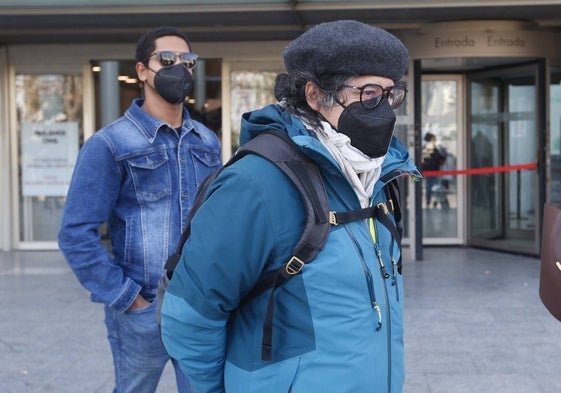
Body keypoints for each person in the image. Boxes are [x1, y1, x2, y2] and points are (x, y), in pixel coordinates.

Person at [160, 20, 420, 393]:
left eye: (390, 94)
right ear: (315, 95)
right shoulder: (256, 184)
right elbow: (190, 317)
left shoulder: (374, 178)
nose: (382, 109)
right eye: (368, 92)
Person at [58, 26, 221, 393]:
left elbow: (216, 220)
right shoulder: (110, 143)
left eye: (187, 62)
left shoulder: (206, 141)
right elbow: (74, 234)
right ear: (142, 71)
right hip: (141, 308)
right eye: (167, 60)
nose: (179, 68)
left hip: (198, 305)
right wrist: (128, 298)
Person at [421, 132, 447, 208]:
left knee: (432, 186)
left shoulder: (432, 147)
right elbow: (426, 160)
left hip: (432, 170)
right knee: (430, 186)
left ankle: (432, 200)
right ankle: (429, 201)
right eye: (433, 138)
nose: (435, 140)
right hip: (431, 170)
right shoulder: (428, 148)